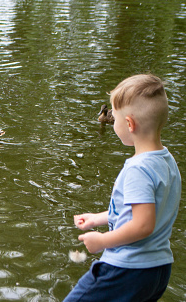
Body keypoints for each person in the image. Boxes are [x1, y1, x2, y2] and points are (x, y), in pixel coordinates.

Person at [64, 74, 182, 301]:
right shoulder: (166, 161)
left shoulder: (138, 169)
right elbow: (143, 212)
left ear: (129, 124)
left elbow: (142, 225)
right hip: (157, 270)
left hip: (126, 269)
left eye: (115, 118)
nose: (112, 123)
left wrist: (102, 240)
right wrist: (98, 218)